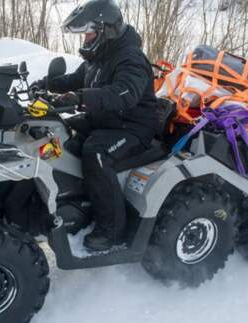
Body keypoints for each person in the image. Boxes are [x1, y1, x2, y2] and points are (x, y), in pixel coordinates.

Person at [31, 0, 158, 251]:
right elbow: (75, 79)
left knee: (95, 152)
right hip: (105, 120)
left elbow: (124, 93)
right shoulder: (99, 54)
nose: (85, 40)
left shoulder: (130, 58)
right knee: (58, 133)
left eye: (89, 34)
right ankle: (77, 203)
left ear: (106, 30)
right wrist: (45, 84)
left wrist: (81, 98)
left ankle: (111, 229)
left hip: (132, 128)